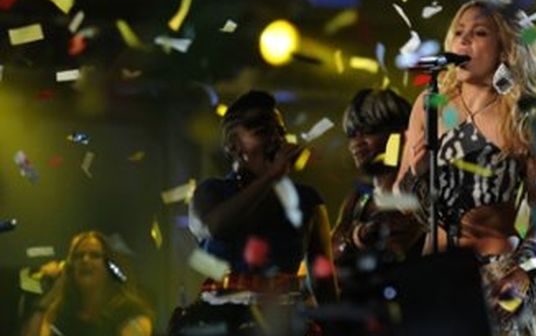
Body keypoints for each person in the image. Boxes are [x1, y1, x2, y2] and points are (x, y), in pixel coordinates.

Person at [395, 0, 536, 335]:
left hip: (499, 277)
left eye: (480, 32)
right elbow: (402, 200)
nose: (464, 39)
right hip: (438, 275)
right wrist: (417, 172)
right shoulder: (430, 105)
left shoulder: (530, 120)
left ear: (506, 47)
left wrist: (523, 274)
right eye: (459, 31)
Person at [170, 90, 338, 335]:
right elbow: (213, 228)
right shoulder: (210, 192)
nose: (276, 139)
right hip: (219, 322)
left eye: (280, 131)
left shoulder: (307, 200)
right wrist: (271, 177)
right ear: (233, 145)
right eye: (263, 132)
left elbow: (325, 286)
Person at [333, 88, 424, 265]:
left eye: (368, 131)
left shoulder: (424, 189)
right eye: (352, 134)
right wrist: (358, 236)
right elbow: (329, 252)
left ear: (402, 132)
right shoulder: (359, 200)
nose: (357, 143)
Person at [21, 230, 153, 336]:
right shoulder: (61, 312)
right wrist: (47, 298)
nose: (85, 260)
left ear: (109, 267)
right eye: (78, 256)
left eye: (94, 255)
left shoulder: (130, 313)